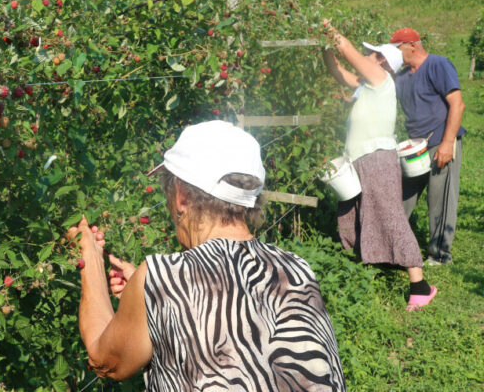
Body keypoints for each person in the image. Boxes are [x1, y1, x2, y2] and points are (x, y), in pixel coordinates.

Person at [67, 120, 346, 390]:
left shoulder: (163, 278)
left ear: (182, 197)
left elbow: (106, 361)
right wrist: (147, 299)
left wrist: (89, 255)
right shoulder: (296, 268)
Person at [321, 21, 437, 311]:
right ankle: (359, 269)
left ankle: (420, 287)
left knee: (391, 216)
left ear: (382, 61)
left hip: (378, 160)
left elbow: (346, 51)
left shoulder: (381, 80)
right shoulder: (366, 87)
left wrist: (326, 28)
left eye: (372, 54)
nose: (367, 57)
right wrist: (322, 44)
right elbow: (336, 70)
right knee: (351, 214)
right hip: (360, 159)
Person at [389, 27, 466, 265]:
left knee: (439, 198)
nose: (394, 54)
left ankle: (440, 255)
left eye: (397, 48)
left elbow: (457, 104)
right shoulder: (401, 76)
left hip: (439, 140)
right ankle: (392, 249)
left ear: (412, 45)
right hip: (414, 146)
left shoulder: (438, 65)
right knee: (402, 197)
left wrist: (447, 142)